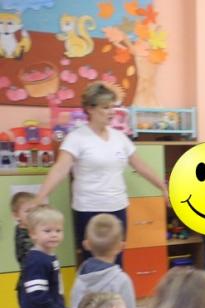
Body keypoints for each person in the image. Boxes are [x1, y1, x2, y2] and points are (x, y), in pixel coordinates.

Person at [26, 82, 166, 262]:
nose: (111, 112)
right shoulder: (76, 138)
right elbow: (60, 169)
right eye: (105, 107)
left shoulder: (120, 138)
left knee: (116, 261)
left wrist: (163, 187)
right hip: (88, 210)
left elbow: (141, 166)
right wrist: (39, 198)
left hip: (117, 208)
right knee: (91, 263)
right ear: (90, 109)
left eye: (112, 107)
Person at [10, 191, 38, 308]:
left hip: (33, 283)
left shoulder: (30, 231)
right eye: (27, 211)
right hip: (27, 286)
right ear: (16, 216)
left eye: (34, 210)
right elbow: (31, 256)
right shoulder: (23, 234)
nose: (32, 214)